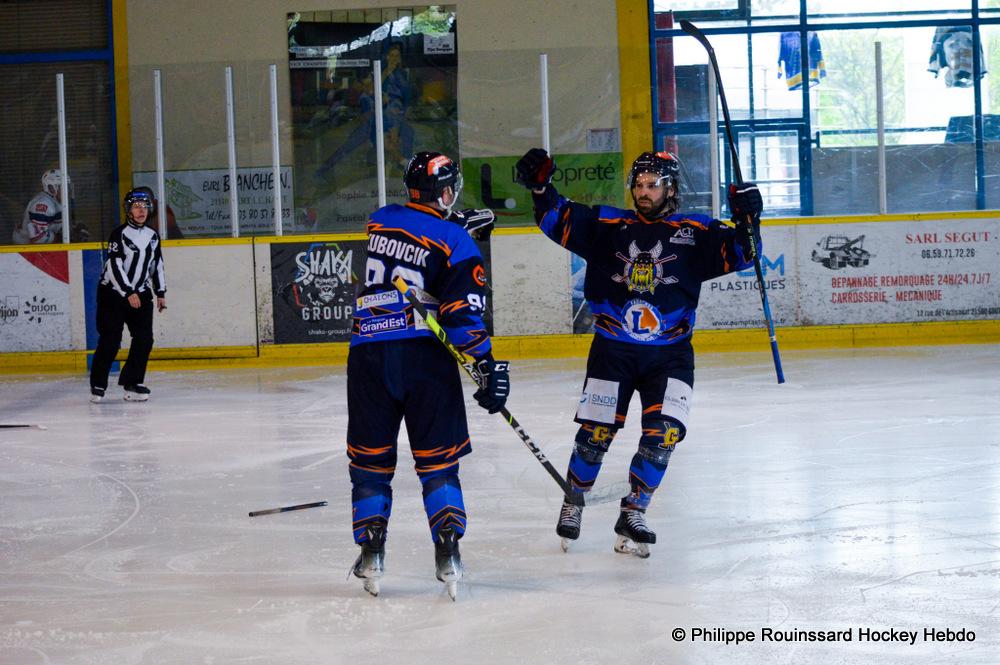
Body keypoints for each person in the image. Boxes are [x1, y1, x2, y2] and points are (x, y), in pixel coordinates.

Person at [514, 148, 764, 558]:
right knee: (595, 434)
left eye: (653, 185)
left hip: (671, 356)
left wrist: (749, 219)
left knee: (664, 435)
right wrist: (541, 188)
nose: (643, 192)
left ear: (671, 189)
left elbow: (744, 252)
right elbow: (555, 218)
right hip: (612, 352)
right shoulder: (608, 225)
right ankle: (573, 501)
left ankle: (634, 511)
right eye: (639, 184)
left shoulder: (696, 230)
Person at [347, 151, 509, 599]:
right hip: (423, 358)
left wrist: (452, 224)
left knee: (370, 462)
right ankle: (448, 553)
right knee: (438, 463)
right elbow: (460, 317)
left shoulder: (380, 219)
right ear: (447, 192)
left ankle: (371, 553)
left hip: (367, 355)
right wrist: (486, 363)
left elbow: (415, 235)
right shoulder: (457, 241)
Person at [90, 188, 167, 403]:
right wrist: (128, 292)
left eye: (144, 206)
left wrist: (160, 292)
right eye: (136, 206)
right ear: (128, 210)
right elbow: (114, 266)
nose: (141, 210)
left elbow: (157, 265)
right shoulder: (119, 234)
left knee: (144, 339)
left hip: (141, 294)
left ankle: (133, 382)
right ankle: (98, 384)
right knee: (111, 340)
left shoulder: (153, 236)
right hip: (113, 295)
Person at [315, 42, 414, 180]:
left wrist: (404, 109)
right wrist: (385, 74)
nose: (394, 59)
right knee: (351, 144)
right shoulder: (378, 71)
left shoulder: (401, 75)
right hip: (375, 117)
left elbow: (406, 96)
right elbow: (370, 90)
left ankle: (404, 167)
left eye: (397, 56)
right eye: (391, 55)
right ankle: (324, 170)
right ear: (386, 57)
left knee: (405, 135)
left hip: (392, 116)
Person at [14, 169, 70, 244]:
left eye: (67, 186)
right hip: (25, 245)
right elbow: (38, 238)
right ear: (51, 188)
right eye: (62, 187)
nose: (66, 190)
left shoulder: (56, 200)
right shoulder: (43, 204)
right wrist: (62, 238)